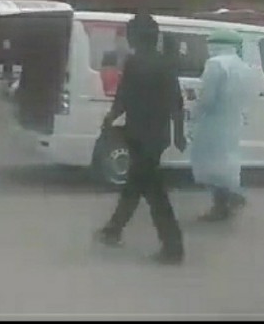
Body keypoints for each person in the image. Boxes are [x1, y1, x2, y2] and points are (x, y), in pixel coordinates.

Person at [94, 13, 187, 265]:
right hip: (157, 137)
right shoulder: (166, 63)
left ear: (135, 37)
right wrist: (179, 134)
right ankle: (113, 229)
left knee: (154, 193)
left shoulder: (135, 63)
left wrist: (109, 119)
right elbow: (176, 102)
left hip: (138, 135)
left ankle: (173, 248)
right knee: (135, 186)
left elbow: (123, 98)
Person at [189, 29, 251, 222]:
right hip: (232, 121)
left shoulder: (216, 64)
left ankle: (223, 204)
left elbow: (207, 98)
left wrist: (194, 115)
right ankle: (229, 198)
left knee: (209, 164)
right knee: (227, 162)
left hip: (213, 122)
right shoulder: (243, 66)